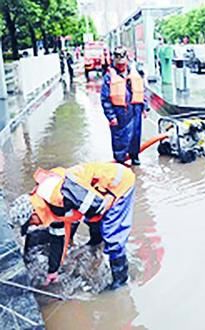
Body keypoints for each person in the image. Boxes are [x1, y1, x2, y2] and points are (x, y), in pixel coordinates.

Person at [8, 162, 136, 290]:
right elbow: (57, 239)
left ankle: (121, 280)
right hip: (98, 193)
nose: (35, 225)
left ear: (33, 213)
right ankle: (95, 244)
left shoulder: (64, 194)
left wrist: (110, 199)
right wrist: (53, 271)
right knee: (91, 219)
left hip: (119, 184)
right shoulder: (48, 203)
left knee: (111, 233)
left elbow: (100, 207)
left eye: (31, 223)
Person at [101, 46, 148, 165]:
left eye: (123, 63)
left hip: (135, 110)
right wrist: (111, 117)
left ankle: (134, 156)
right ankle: (120, 160)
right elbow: (105, 99)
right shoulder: (109, 77)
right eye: (119, 64)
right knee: (119, 137)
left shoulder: (134, 72)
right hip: (119, 111)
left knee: (135, 135)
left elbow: (142, 90)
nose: (122, 66)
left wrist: (144, 107)